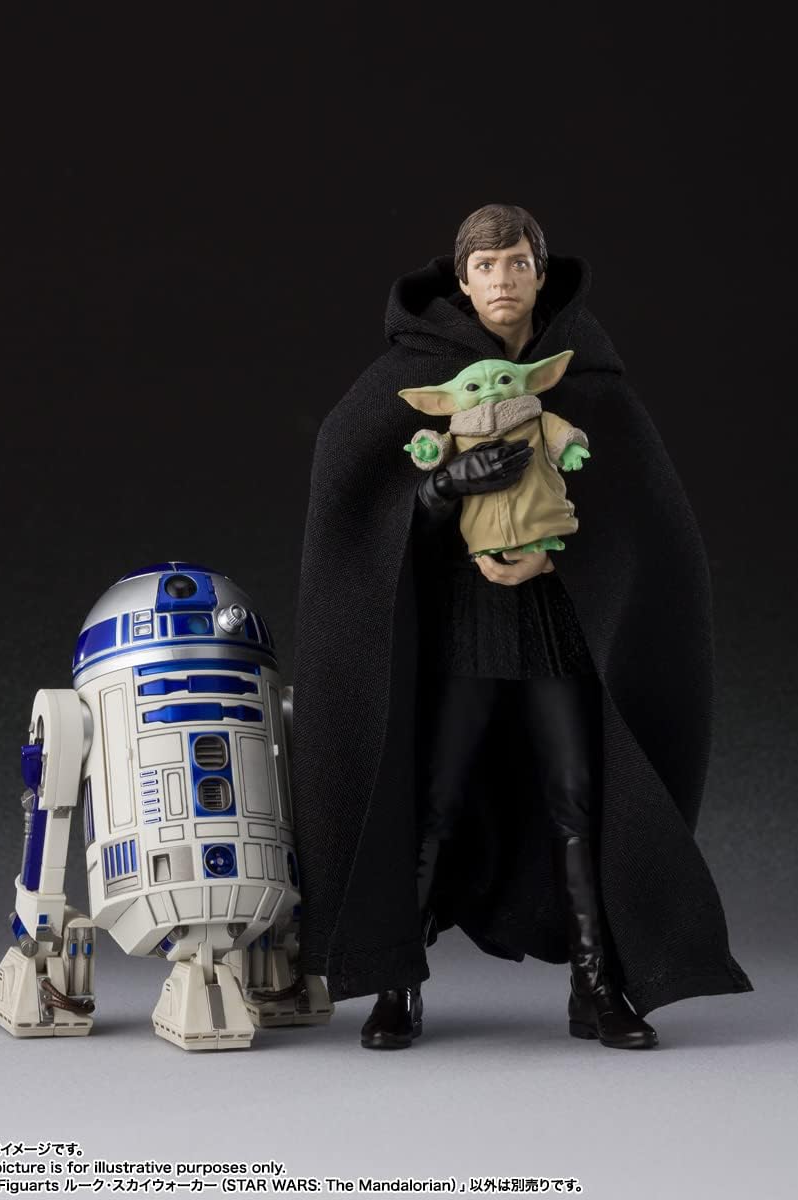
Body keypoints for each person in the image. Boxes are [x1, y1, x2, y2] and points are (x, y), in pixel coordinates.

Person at [291, 202, 753, 1051]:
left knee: (575, 804)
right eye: (484, 266)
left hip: (555, 633)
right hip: (458, 636)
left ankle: (595, 984)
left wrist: (560, 556)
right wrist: (441, 488)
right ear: (461, 282)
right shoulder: (419, 370)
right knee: (433, 801)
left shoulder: (585, 379)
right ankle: (397, 981)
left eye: (515, 263)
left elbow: (642, 522)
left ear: (540, 274)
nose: (501, 280)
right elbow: (354, 494)